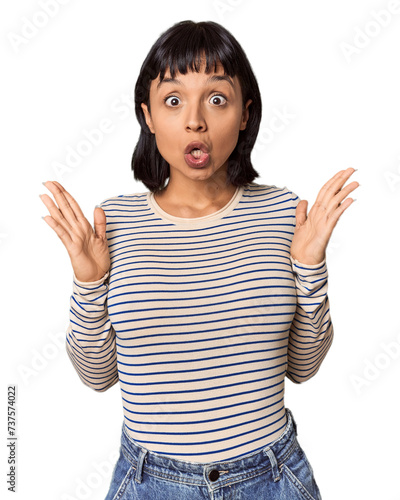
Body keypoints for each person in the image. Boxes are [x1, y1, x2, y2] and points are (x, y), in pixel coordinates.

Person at [40, 19, 358, 500]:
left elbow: (303, 366)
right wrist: (88, 282)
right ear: (147, 115)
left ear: (245, 113)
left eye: (216, 98)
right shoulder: (115, 222)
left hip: (271, 479)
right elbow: (96, 377)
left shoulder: (282, 214)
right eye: (173, 100)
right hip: (151, 482)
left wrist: (311, 268)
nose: (195, 121)